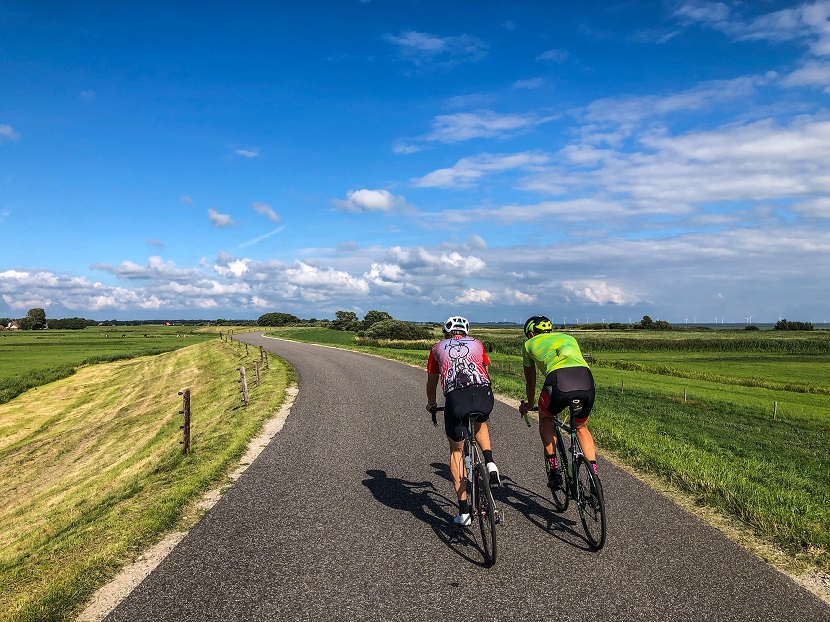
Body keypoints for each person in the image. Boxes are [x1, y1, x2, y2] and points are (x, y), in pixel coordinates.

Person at [426, 315, 500, 526]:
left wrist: (431, 403)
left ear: (446, 333)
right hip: (484, 394)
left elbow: (432, 381)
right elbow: (486, 367)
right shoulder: (477, 343)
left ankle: (465, 512)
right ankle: (490, 462)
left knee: (457, 451)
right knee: (480, 422)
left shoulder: (436, 348)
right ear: (465, 332)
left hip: (457, 399)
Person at [518, 315, 598, 490]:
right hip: (586, 380)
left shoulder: (528, 345)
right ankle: (594, 476)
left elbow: (530, 382)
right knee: (581, 427)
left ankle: (554, 471)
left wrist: (529, 405)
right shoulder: (569, 338)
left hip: (559, 382)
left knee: (546, 418)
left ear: (531, 333)